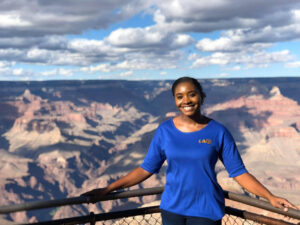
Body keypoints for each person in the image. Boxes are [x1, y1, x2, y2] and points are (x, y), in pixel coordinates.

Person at [82, 77, 297, 225]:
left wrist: (269, 197)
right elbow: (146, 169)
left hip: (206, 211)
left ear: (201, 97)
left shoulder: (218, 131)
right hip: (172, 210)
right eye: (179, 96)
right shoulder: (165, 130)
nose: (186, 101)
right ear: (175, 100)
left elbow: (239, 172)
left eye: (191, 94)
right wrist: (107, 189)